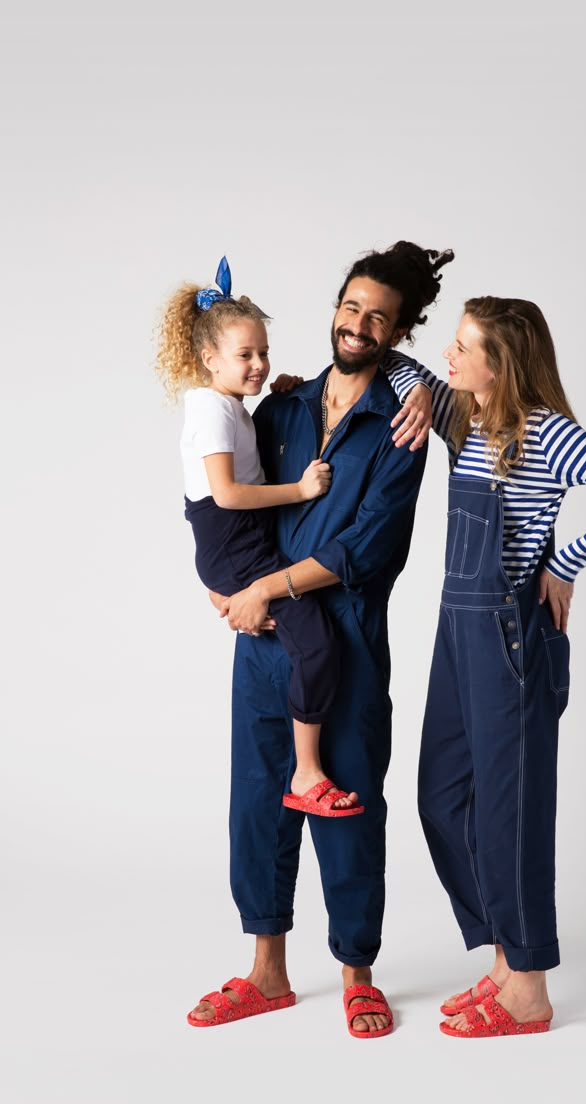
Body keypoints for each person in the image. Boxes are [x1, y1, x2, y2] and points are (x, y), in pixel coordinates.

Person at [185, 241, 453, 1037]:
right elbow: (229, 504)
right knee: (258, 806)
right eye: (351, 306)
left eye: (379, 315)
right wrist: (226, 590)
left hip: (348, 643)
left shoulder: (400, 425)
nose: (360, 323)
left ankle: (357, 972)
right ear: (334, 309)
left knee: (348, 806)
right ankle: (266, 972)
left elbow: (369, 548)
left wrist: (265, 587)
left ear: (398, 330)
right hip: (262, 644)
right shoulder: (280, 408)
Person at [393, 296, 586, 1037]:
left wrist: (565, 564)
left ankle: (530, 989)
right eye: (450, 345)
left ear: (500, 361)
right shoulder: (460, 415)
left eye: (462, 346)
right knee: (441, 796)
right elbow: (392, 365)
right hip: (457, 631)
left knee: (512, 815)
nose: (449, 357)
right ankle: (505, 959)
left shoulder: (544, 433)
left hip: (510, 632)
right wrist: (399, 385)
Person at [155, 256, 365, 816]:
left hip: (234, 545)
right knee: (317, 644)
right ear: (209, 359)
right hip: (234, 542)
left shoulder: (227, 406)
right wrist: (299, 492)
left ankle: (304, 766)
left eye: (263, 352)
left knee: (302, 636)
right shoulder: (214, 414)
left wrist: (286, 392)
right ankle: (307, 772)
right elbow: (225, 493)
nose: (258, 364)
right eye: (245, 355)